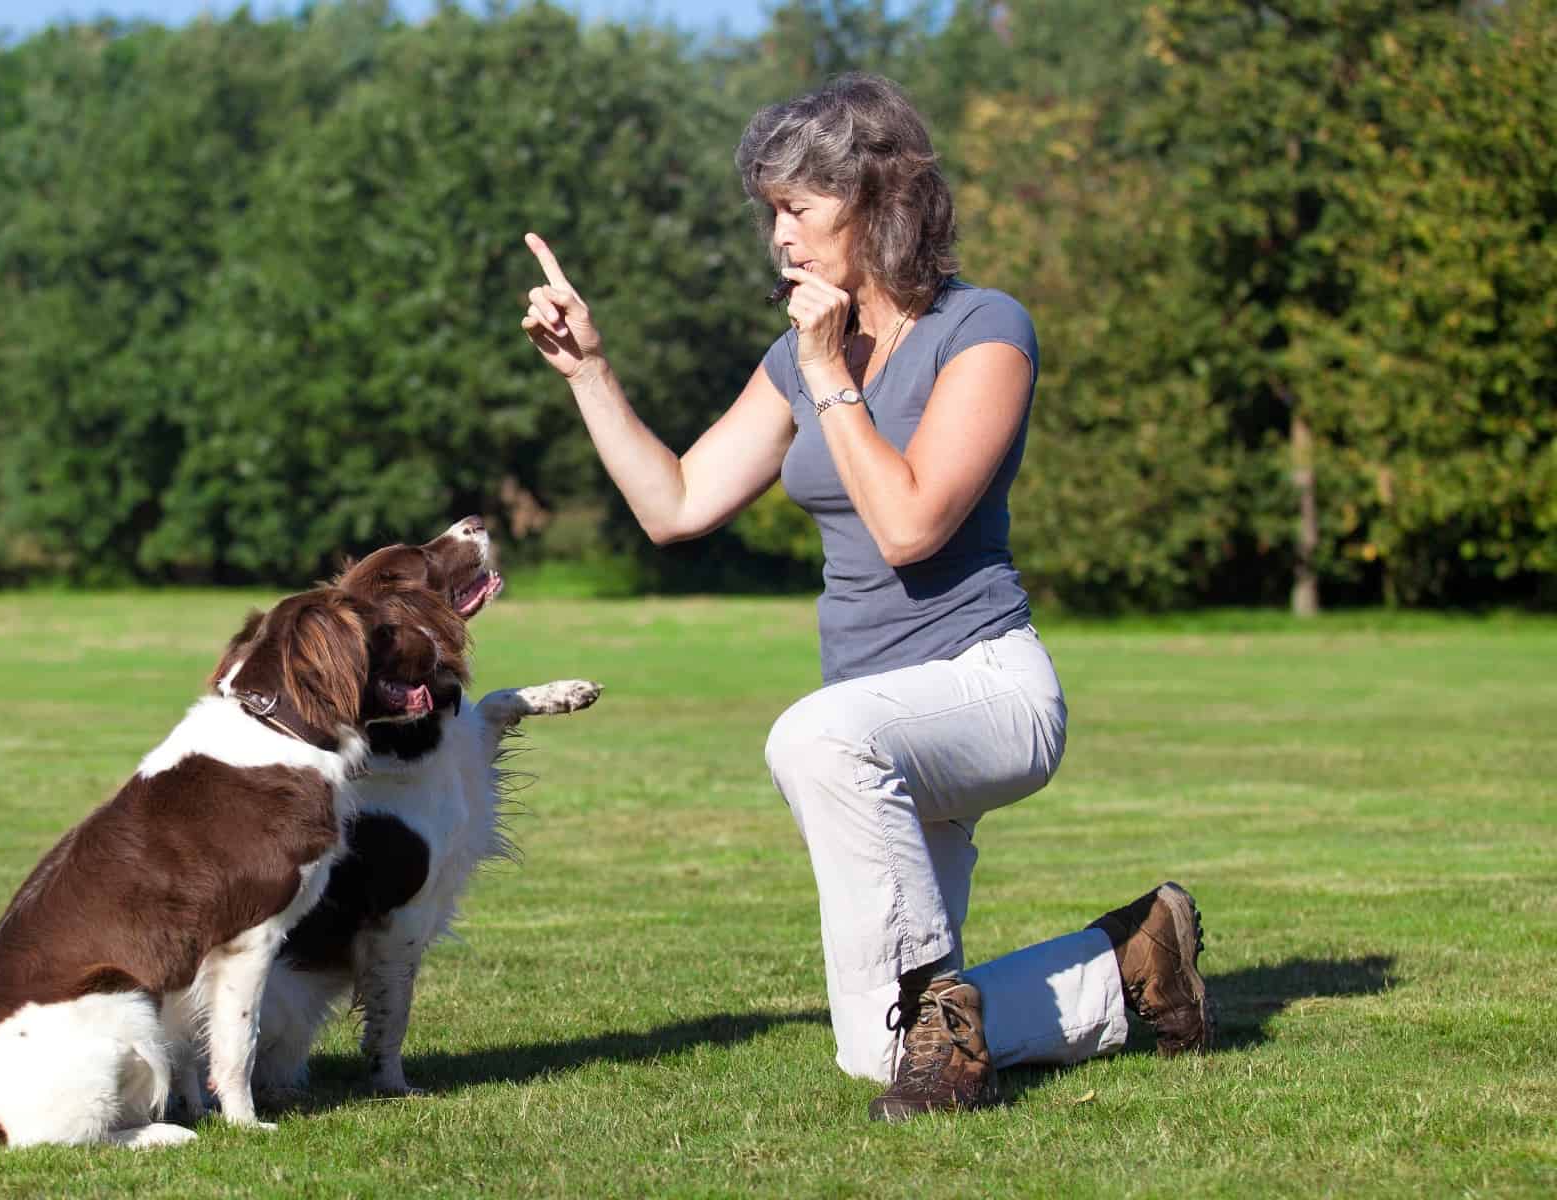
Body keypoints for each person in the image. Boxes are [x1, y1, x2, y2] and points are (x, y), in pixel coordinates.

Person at [518, 73, 1213, 1121]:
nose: (778, 239)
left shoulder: (982, 331)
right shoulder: (799, 360)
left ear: (878, 199)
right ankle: (1129, 966)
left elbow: (910, 522)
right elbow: (676, 504)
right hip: (875, 729)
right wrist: (588, 373)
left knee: (812, 736)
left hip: (985, 689)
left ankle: (945, 1020)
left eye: (796, 208)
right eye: (768, 214)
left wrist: (828, 375)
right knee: (872, 1057)